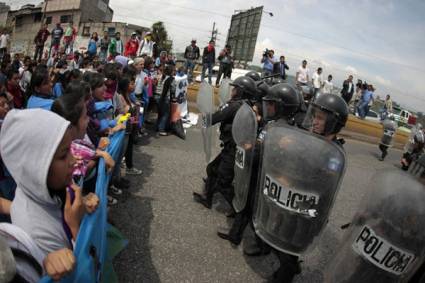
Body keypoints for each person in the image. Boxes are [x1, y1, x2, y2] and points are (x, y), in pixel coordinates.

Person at [0, 108, 99, 257]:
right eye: (63, 155)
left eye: (70, 150)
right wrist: (75, 226)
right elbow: (81, 274)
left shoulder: (47, 186)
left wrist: (82, 204)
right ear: (36, 166)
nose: (73, 161)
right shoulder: (37, 234)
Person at [217, 83, 301, 247]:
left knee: (259, 209)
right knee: (248, 204)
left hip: (267, 175)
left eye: (271, 104)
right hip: (256, 171)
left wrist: (255, 147)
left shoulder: (285, 131)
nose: (267, 106)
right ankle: (237, 235)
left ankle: (264, 246)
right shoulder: (272, 123)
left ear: (282, 107)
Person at [193, 76, 257, 209]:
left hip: (233, 149)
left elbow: (216, 117)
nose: (232, 91)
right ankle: (207, 198)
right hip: (235, 147)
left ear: (240, 91)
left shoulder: (234, 105)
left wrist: (203, 120)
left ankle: (240, 210)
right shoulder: (248, 105)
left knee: (223, 183)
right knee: (212, 169)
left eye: (235, 89)